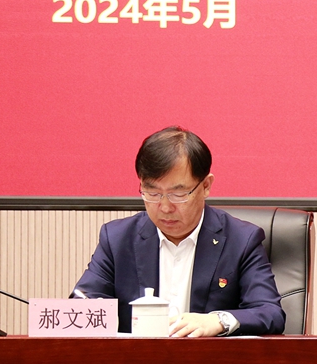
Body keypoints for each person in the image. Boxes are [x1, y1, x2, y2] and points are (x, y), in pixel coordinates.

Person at [72, 127, 285, 336]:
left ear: (206, 186)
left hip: (206, 358)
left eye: (178, 194)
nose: (165, 207)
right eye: (152, 193)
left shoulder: (241, 240)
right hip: (136, 358)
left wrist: (218, 320)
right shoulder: (117, 239)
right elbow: (82, 303)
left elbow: (270, 313)